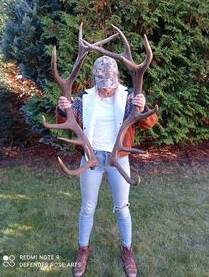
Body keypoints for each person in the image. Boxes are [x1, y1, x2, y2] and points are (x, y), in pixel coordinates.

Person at [56, 56, 158, 277]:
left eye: (110, 85)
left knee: (122, 208)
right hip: (91, 159)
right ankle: (83, 249)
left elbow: (150, 122)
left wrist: (143, 106)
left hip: (118, 159)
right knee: (87, 208)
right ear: (95, 80)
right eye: (103, 86)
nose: (107, 90)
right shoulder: (83, 99)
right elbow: (65, 119)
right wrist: (63, 108)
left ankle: (127, 250)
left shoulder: (128, 97)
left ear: (117, 79)